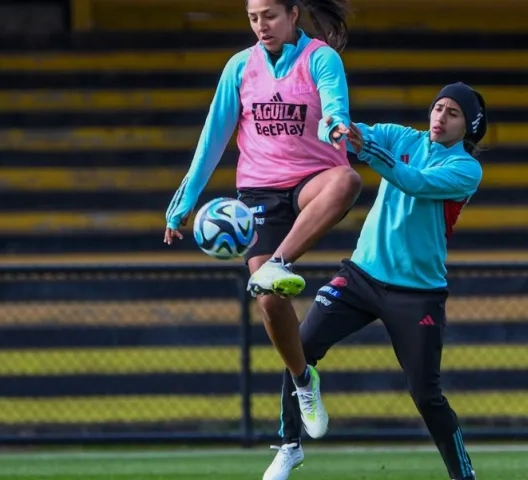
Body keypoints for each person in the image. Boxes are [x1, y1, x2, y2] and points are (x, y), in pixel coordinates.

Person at [263, 82, 487, 480]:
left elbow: (414, 181)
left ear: (468, 126)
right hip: (361, 275)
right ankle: (289, 446)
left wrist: (363, 147)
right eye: (438, 108)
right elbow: (346, 136)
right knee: (300, 347)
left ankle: (463, 475)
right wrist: (336, 129)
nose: (441, 117)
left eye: (453, 113)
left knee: (426, 394)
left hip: (418, 294)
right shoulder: (401, 136)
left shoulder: (466, 169)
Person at [163, 0, 362, 440]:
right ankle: (303, 380)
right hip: (259, 193)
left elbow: (334, 105)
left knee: (346, 180)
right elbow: (212, 137)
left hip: (312, 177)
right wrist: (182, 205)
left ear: (293, 14)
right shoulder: (239, 67)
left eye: (269, 15)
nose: (261, 26)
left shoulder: (320, 58)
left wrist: (336, 127)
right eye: (253, 18)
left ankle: (281, 261)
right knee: (270, 301)